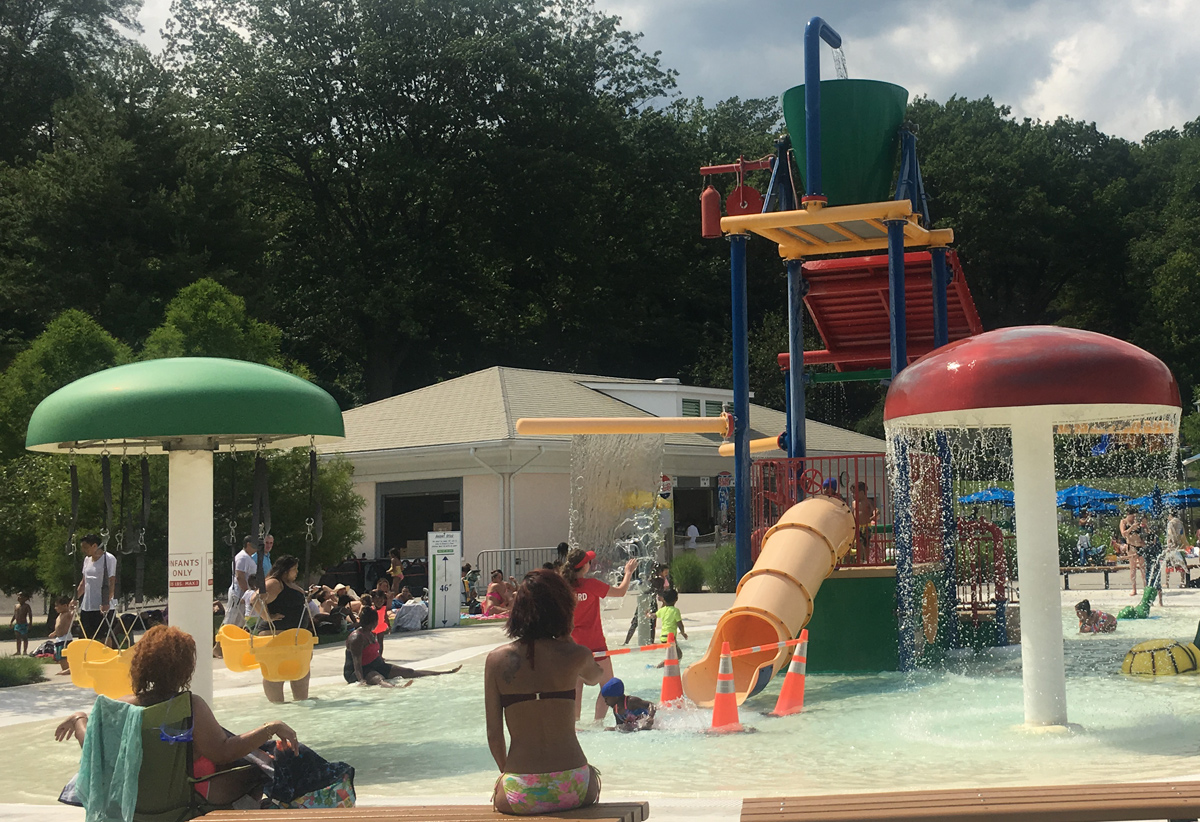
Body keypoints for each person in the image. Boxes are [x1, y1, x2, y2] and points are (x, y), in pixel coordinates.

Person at [54, 625, 297, 808]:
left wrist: (79, 719)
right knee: (260, 771)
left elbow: (90, 746)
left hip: (130, 803)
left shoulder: (114, 708)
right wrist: (270, 727)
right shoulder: (190, 706)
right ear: (185, 668)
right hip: (183, 801)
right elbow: (224, 751)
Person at [484, 569, 604, 815]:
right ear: (564, 608)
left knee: (499, 792)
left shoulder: (496, 661)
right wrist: (568, 638)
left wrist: (511, 776)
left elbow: (494, 735)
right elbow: (596, 677)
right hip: (575, 785)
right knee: (593, 774)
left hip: (521, 787)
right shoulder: (576, 654)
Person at [561, 548, 638, 722]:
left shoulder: (563, 588)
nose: (591, 563)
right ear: (584, 567)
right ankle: (598, 723)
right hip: (595, 643)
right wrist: (628, 573)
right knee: (608, 686)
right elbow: (620, 591)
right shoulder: (591, 585)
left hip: (572, 645)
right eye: (588, 561)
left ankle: (575, 725)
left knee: (576, 689)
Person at [343, 607, 460, 686]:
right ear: (373, 621)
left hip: (376, 665)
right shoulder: (357, 638)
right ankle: (395, 688)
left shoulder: (372, 633)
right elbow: (356, 664)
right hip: (358, 671)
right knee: (379, 679)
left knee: (409, 671)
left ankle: (444, 673)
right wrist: (361, 681)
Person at [257, 555, 313, 703]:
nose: (296, 572)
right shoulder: (275, 583)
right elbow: (256, 600)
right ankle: (278, 706)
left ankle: (300, 704)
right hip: (277, 634)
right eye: (294, 569)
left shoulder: (287, 583)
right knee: (276, 673)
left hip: (294, 636)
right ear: (285, 570)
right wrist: (267, 617)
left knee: (300, 672)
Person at [77, 534, 117, 648]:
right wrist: (75, 598)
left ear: (94, 546)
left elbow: (112, 581)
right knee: (86, 635)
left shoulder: (108, 558)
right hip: (88, 605)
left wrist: (106, 601)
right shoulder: (87, 560)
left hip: (103, 604)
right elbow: (83, 582)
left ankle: (107, 657)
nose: (83, 550)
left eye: (86, 547)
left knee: (104, 634)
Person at [224, 537, 259, 628]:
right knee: (230, 620)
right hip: (238, 595)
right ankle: (220, 641)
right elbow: (240, 576)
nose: (257, 547)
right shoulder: (242, 557)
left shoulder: (248, 557)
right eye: (255, 545)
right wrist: (248, 593)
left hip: (243, 595)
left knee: (240, 622)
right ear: (248, 544)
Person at [1120, 510, 1146, 595]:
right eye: (1133, 516)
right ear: (1128, 515)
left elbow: (1144, 533)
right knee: (1133, 568)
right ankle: (1134, 589)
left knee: (1143, 568)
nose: (1134, 518)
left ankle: (1145, 587)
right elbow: (1124, 534)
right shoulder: (1123, 522)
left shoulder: (1137, 522)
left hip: (1140, 546)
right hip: (1131, 546)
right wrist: (1131, 527)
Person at [48, 595, 74, 674]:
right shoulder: (59, 615)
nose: (55, 608)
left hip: (65, 638)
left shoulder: (68, 614)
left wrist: (72, 608)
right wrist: (54, 633)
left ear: (65, 606)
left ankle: (68, 669)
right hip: (59, 639)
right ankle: (64, 668)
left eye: (57, 606)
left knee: (64, 655)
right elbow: (59, 627)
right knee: (59, 656)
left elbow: (73, 614)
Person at [853, 482, 877, 556]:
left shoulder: (868, 502)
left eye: (854, 493)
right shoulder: (854, 503)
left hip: (866, 525)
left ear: (861, 493)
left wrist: (875, 514)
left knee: (866, 543)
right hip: (857, 526)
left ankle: (866, 560)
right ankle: (860, 559)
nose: (853, 495)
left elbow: (874, 510)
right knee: (858, 543)